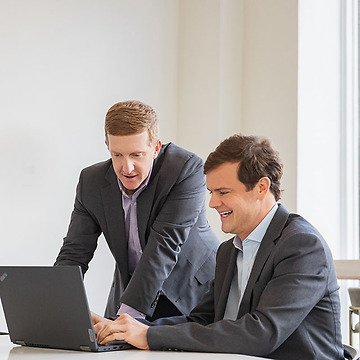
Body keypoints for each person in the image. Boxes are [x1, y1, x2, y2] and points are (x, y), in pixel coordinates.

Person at [92, 134, 344, 360]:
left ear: (261, 187)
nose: (212, 203)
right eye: (211, 192)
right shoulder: (228, 251)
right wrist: (129, 330)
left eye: (223, 192)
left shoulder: (302, 246)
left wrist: (149, 337)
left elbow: (262, 333)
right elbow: (201, 321)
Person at [54, 100, 219, 320]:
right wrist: (55, 308)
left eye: (136, 155)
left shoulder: (185, 170)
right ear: (107, 146)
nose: (127, 168)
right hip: (132, 294)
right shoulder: (91, 182)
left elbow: (164, 245)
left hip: (191, 295)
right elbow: (74, 252)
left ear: (156, 148)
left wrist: (125, 320)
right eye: (117, 155)